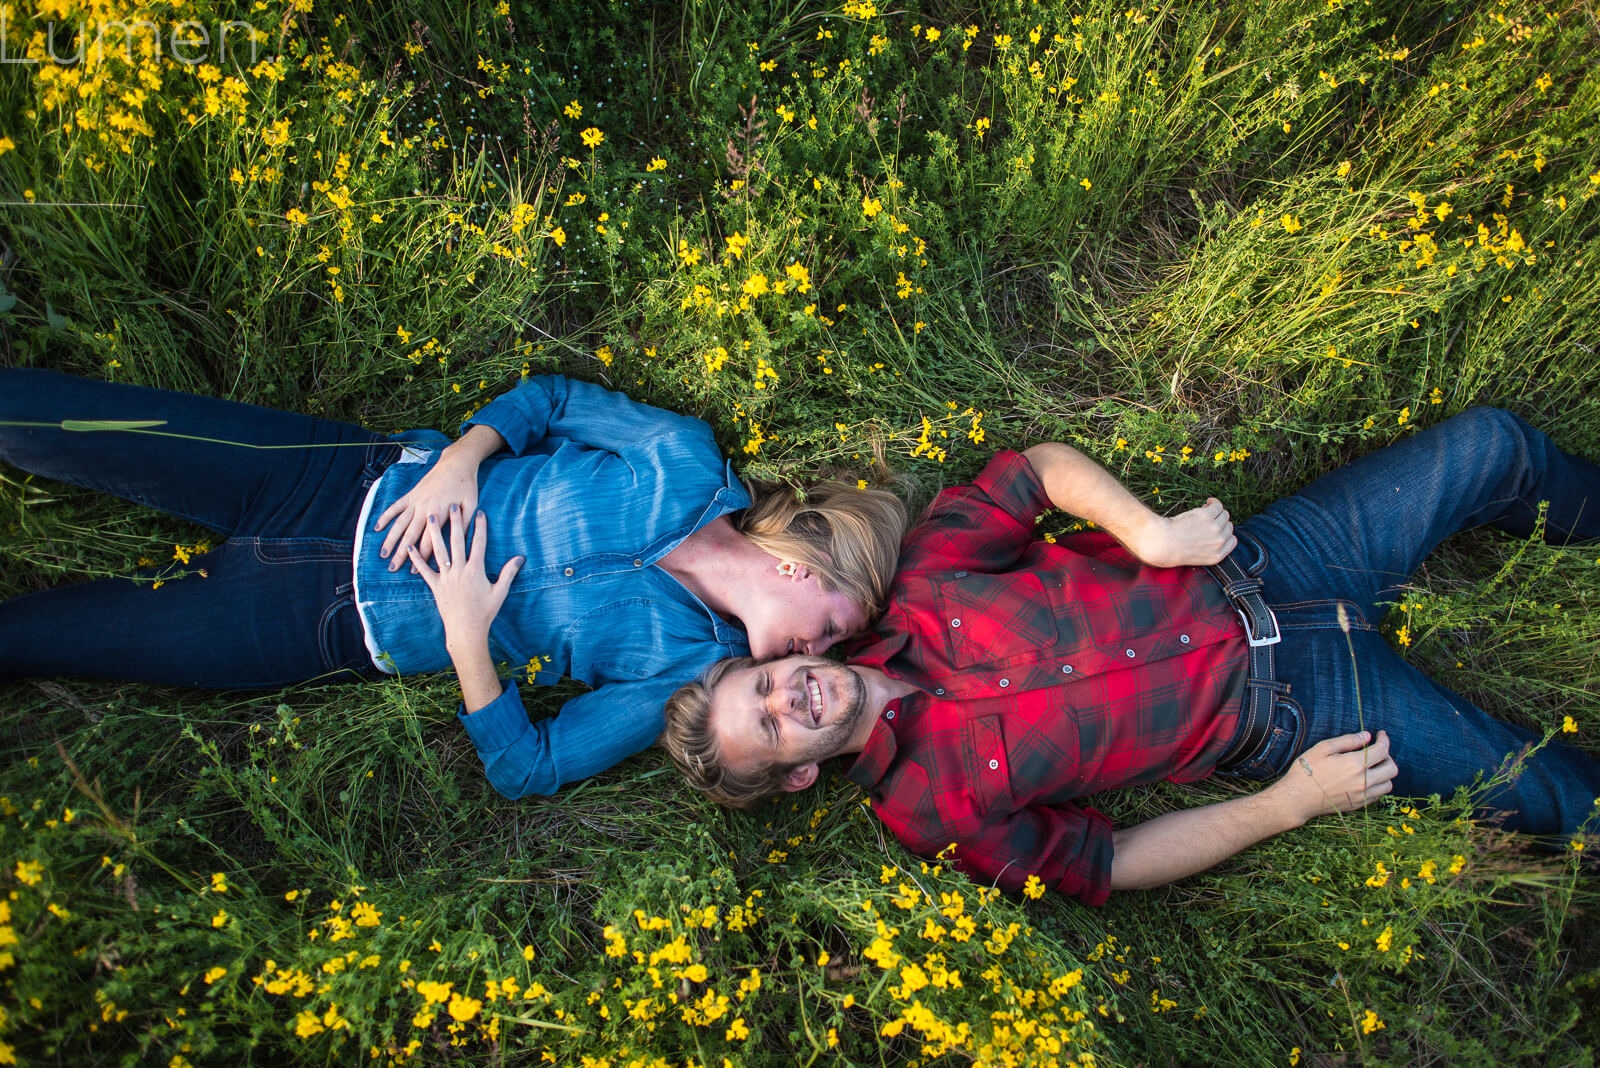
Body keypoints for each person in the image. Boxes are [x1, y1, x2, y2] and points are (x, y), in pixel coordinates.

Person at [662, 408, 1600, 905]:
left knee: (1493, 444)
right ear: (796, 778)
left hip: (1272, 560)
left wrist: (1150, 535)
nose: (794, 697)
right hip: (1303, 708)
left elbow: (1037, 470)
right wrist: (1288, 805)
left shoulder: (919, 579)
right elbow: (1110, 863)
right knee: (1574, 804)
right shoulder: (929, 813)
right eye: (776, 730)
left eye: (766, 685)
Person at [0, 367, 905, 797]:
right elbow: (550, 401)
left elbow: (529, 768)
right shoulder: (684, 459)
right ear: (808, 563)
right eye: (833, 624)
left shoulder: (686, 677)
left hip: (320, 622)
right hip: (333, 476)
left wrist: (469, 637)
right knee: (54, 421)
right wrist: (465, 459)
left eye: (829, 653)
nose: (817, 655)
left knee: (46, 638)